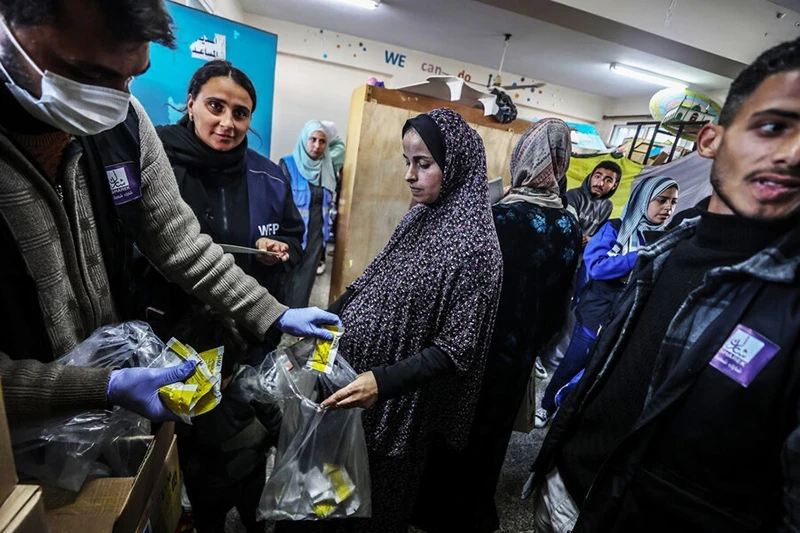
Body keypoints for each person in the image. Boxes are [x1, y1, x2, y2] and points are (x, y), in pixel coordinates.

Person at [0, 0, 338, 423]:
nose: (116, 98)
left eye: (130, 77)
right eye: (91, 75)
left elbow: (179, 242)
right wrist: (92, 388)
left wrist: (276, 313)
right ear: (11, 28)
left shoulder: (126, 123)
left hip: (113, 403)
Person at [526, 37, 800, 532]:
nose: (794, 155)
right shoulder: (666, 248)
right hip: (566, 486)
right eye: (773, 127)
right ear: (711, 140)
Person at [294, 108, 502, 533]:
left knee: (374, 498)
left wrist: (382, 382)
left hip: (397, 402)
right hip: (358, 382)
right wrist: (324, 315)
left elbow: (455, 350)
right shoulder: (420, 215)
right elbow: (375, 274)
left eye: (423, 164)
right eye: (407, 162)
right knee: (330, 487)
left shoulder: (478, 250)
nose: (410, 175)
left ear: (456, 164)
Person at [412, 119, 581, 533]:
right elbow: (562, 302)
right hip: (520, 352)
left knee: (455, 424)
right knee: (494, 433)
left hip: (475, 344)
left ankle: (431, 508)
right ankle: (473, 509)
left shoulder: (497, 216)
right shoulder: (570, 224)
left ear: (523, 156)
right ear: (561, 161)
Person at [149, 61, 304, 352]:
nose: (227, 123)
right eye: (215, 106)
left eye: (240, 113)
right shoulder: (156, 161)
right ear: (192, 104)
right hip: (164, 333)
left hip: (245, 334)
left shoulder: (269, 177)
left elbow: (295, 241)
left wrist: (279, 249)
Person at [534, 175, 679, 428]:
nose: (668, 208)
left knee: (601, 369)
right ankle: (547, 406)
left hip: (631, 313)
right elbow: (599, 267)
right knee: (576, 361)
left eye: (673, 202)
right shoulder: (616, 229)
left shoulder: (666, 239)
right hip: (598, 311)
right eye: (661, 200)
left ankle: (571, 412)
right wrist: (640, 256)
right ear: (644, 200)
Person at [171, 306, 281, 533]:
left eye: (224, 379)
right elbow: (178, 448)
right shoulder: (183, 403)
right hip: (207, 484)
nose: (217, 389)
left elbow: (274, 419)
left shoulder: (248, 381)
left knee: (255, 517)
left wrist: (288, 450)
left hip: (251, 472)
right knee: (209, 525)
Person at [281, 121, 337, 307]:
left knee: (306, 280)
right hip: (291, 234)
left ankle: (297, 318)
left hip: (316, 235)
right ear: (305, 139)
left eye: (322, 141)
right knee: (285, 277)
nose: (317, 145)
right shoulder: (288, 164)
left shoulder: (327, 169)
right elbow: (278, 202)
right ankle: (278, 317)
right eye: (313, 139)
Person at [566, 160, 622, 247]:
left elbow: (599, 233)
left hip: (586, 251)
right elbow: (567, 225)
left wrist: (592, 239)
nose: (600, 183)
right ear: (591, 176)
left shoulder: (607, 206)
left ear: (614, 186)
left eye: (608, 180)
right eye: (597, 177)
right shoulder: (573, 195)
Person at [316, 120, 345, 276]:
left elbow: (323, 163)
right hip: (320, 188)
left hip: (326, 189)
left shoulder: (338, 148)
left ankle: (320, 261)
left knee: (323, 226)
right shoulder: (330, 145)